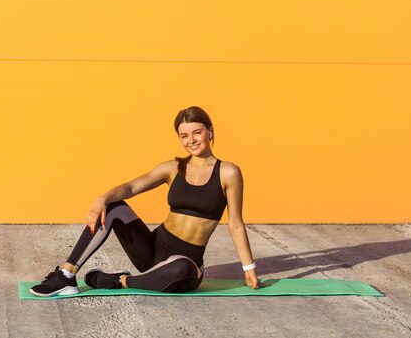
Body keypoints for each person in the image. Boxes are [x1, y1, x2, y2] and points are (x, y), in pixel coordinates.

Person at [30, 106, 259, 296]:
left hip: (186, 262)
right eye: (184, 136)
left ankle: (119, 280)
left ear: (210, 131)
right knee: (112, 206)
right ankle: (66, 275)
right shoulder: (173, 168)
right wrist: (103, 198)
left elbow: (235, 223)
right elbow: (131, 187)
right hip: (152, 250)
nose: (191, 140)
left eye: (197, 133)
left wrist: (248, 268)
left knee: (181, 269)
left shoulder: (228, 173)